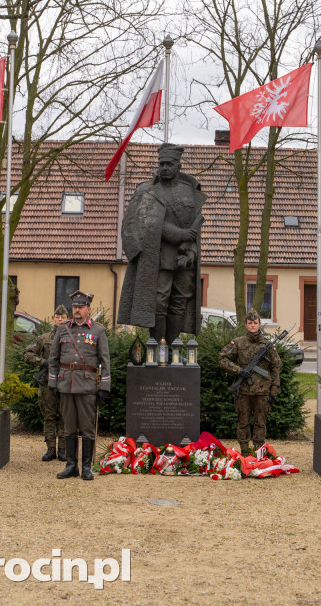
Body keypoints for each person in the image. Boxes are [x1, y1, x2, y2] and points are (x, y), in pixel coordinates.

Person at [117, 143, 206, 346]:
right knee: (159, 302)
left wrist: (192, 252)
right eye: (161, 164)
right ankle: (157, 348)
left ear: (178, 166)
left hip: (185, 257)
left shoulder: (190, 190)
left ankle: (173, 348)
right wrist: (178, 234)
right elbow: (141, 222)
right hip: (158, 257)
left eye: (169, 164)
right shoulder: (147, 190)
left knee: (180, 302)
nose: (164, 167)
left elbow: (195, 228)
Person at [48, 291, 110, 481]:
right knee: (69, 428)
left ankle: (86, 467)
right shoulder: (63, 329)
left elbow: (105, 361)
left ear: (88, 309)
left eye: (81, 307)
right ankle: (71, 466)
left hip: (87, 386)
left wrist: (104, 387)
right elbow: (53, 358)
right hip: (66, 384)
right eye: (75, 307)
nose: (77, 310)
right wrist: (53, 382)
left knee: (87, 429)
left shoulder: (98, 331)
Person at [218, 308, 281, 454]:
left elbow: (276, 368)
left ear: (259, 324)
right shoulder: (238, 343)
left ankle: (258, 453)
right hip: (243, 391)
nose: (253, 325)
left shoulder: (267, 345)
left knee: (260, 424)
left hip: (263, 392)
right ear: (246, 324)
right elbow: (222, 359)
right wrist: (239, 370)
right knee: (243, 423)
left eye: (255, 323)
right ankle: (245, 453)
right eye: (250, 323)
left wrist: (274, 391)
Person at [24, 305, 70, 462]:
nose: (60, 320)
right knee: (48, 416)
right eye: (58, 318)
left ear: (68, 319)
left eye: (63, 318)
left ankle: (63, 449)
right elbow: (27, 354)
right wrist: (42, 362)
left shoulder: (72, 339)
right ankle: (51, 449)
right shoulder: (44, 338)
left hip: (66, 382)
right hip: (47, 383)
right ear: (53, 319)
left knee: (65, 416)